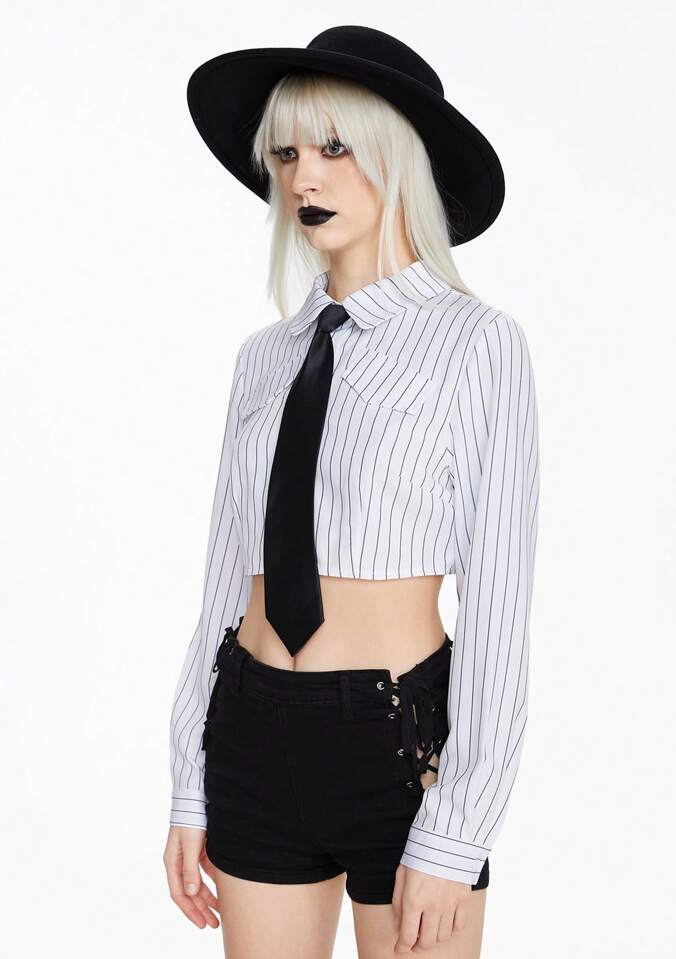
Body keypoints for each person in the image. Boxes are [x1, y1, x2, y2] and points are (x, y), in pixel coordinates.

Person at [163, 25, 540, 959]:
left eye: (335, 148)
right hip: (250, 732)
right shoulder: (266, 358)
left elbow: (500, 601)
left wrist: (459, 830)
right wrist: (189, 778)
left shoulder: (477, 343)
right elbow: (224, 579)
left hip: (395, 743)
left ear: (395, 158)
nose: (304, 178)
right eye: (287, 154)